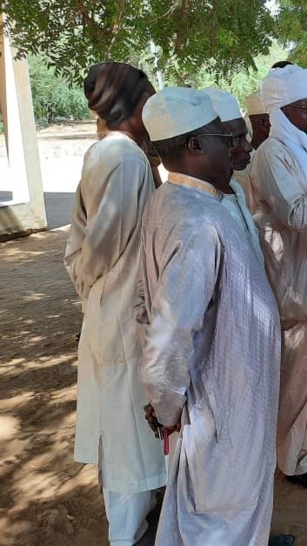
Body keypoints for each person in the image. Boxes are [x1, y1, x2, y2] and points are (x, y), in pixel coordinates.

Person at [136, 87, 292, 546]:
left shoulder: (195, 202)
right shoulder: (197, 222)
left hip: (234, 390)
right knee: (223, 512)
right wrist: (166, 405)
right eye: (224, 138)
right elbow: (171, 331)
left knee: (230, 503)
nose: (236, 146)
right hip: (223, 396)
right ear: (194, 146)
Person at [64, 62, 165, 546]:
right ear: (129, 104)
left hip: (119, 308)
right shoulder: (122, 158)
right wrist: (97, 289)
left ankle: (141, 526)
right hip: (122, 312)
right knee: (127, 437)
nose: (153, 105)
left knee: (135, 430)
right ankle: (126, 537)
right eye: (147, 96)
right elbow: (99, 246)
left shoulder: (120, 153)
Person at [248, 64, 307, 492]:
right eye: (302, 107)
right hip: (294, 283)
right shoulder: (272, 154)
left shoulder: (300, 147)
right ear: (280, 111)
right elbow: (297, 212)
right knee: (298, 369)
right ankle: (294, 459)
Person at [203, 87, 263, 266]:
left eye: (245, 137)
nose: (248, 147)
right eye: (237, 139)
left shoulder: (235, 189)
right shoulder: (198, 206)